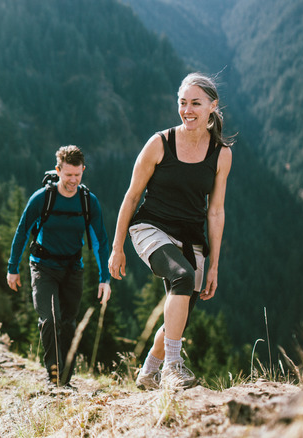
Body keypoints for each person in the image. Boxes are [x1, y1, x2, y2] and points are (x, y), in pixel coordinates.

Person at [108, 72, 233, 390]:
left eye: (195, 103)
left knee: (179, 315)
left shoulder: (221, 154)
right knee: (182, 277)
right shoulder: (160, 144)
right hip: (151, 227)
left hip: (192, 238)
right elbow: (132, 196)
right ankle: (172, 368)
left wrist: (214, 264)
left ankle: (149, 371)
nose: (187, 110)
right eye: (182, 103)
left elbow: (215, 212)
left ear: (212, 106)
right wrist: (117, 246)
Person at [7, 145, 112, 387]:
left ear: (83, 170)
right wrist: (13, 268)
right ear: (58, 170)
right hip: (43, 267)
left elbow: (100, 241)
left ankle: (65, 378)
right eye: (68, 175)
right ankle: (54, 376)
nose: (73, 180)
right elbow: (22, 232)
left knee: (68, 323)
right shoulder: (43, 198)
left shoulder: (88, 202)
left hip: (73, 268)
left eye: (78, 174)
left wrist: (104, 278)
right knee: (50, 320)